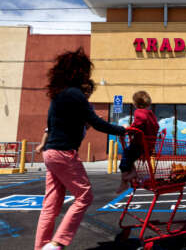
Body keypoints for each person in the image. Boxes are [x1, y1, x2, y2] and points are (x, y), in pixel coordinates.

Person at [35, 48, 126, 250]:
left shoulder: (58, 96)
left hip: (50, 153)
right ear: (78, 72)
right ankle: (57, 243)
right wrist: (123, 130)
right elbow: (96, 122)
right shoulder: (76, 95)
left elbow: (50, 125)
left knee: (51, 203)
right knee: (85, 196)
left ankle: (41, 246)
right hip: (64, 152)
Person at [116, 90, 159, 193]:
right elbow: (154, 127)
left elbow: (139, 123)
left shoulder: (139, 112)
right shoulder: (151, 114)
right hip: (147, 146)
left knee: (126, 155)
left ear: (135, 103)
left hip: (140, 144)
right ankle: (126, 180)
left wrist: (128, 129)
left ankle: (125, 179)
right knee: (129, 158)